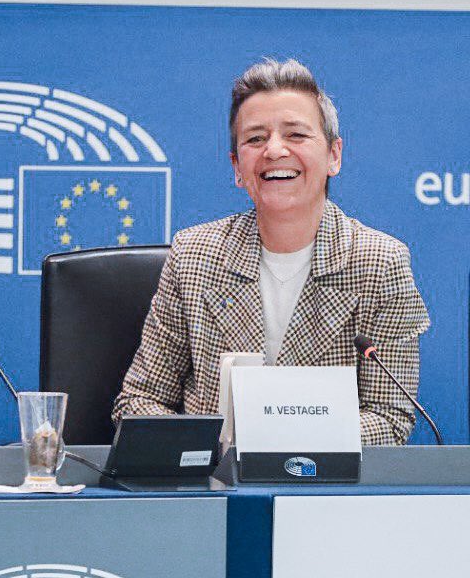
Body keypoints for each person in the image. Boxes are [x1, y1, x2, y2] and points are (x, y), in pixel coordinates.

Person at [113, 58, 429, 445]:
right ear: (237, 167)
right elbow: (139, 401)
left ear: (334, 156)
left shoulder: (380, 262)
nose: (275, 150)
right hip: (213, 487)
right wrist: (207, 449)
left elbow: (389, 419)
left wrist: (281, 439)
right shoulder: (194, 255)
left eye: (296, 135)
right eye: (255, 139)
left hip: (322, 492)